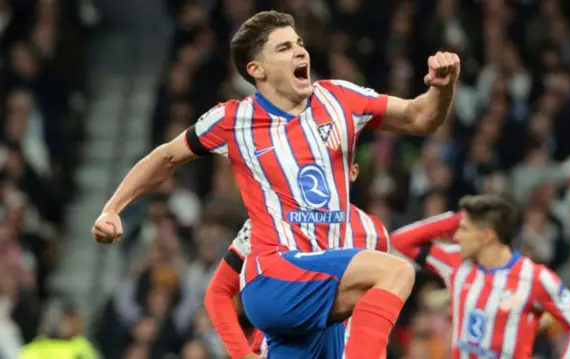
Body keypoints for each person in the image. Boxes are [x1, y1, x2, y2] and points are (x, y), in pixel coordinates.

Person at [91, 10, 459, 358]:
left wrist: (442, 89)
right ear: (257, 69)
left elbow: (419, 116)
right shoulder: (233, 119)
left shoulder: (339, 99)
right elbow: (165, 157)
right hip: (274, 276)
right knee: (395, 270)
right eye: (284, 47)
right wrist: (113, 208)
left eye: (299, 43)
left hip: (320, 296)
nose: (300, 50)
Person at [205, 163, 392, 359]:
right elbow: (218, 291)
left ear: (353, 171)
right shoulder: (270, 218)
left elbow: (376, 313)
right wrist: (242, 354)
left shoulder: (374, 233)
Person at [390, 195, 570, 358]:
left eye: (464, 229)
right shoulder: (456, 264)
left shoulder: (535, 277)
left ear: (487, 235)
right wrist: (453, 219)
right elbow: (401, 240)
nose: (457, 235)